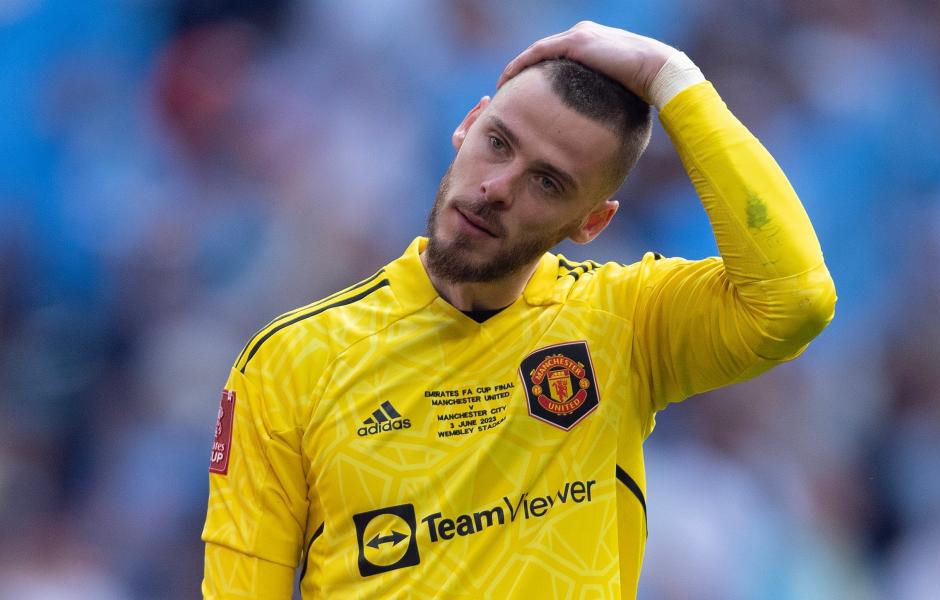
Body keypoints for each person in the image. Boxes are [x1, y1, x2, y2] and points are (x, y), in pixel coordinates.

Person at [201, 21, 836, 599]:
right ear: (468, 124)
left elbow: (795, 299)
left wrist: (671, 78)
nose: (497, 188)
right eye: (498, 143)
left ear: (592, 222)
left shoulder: (625, 323)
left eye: (547, 182)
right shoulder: (292, 362)